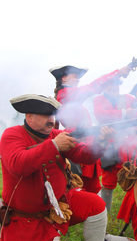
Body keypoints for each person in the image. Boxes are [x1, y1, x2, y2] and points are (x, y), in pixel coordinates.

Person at [0, 94, 110, 241]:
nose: (51, 120)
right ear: (29, 116)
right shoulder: (12, 135)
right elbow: (18, 165)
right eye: (45, 115)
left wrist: (101, 142)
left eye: (53, 115)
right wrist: (54, 146)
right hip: (29, 219)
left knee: (96, 205)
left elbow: (84, 156)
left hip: (60, 206)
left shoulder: (56, 135)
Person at [50, 64, 132, 194]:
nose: (77, 79)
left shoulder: (70, 95)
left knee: (91, 189)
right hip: (77, 143)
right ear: (64, 78)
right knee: (81, 191)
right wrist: (117, 72)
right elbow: (92, 87)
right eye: (74, 75)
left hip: (83, 141)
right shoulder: (65, 94)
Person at [92, 77, 137, 214]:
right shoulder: (98, 100)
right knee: (108, 182)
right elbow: (101, 116)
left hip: (128, 145)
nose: (114, 87)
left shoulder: (128, 98)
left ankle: (135, 211)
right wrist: (124, 113)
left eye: (116, 84)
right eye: (111, 84)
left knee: (135, 177)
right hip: (110, 146)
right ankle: (104, 214)